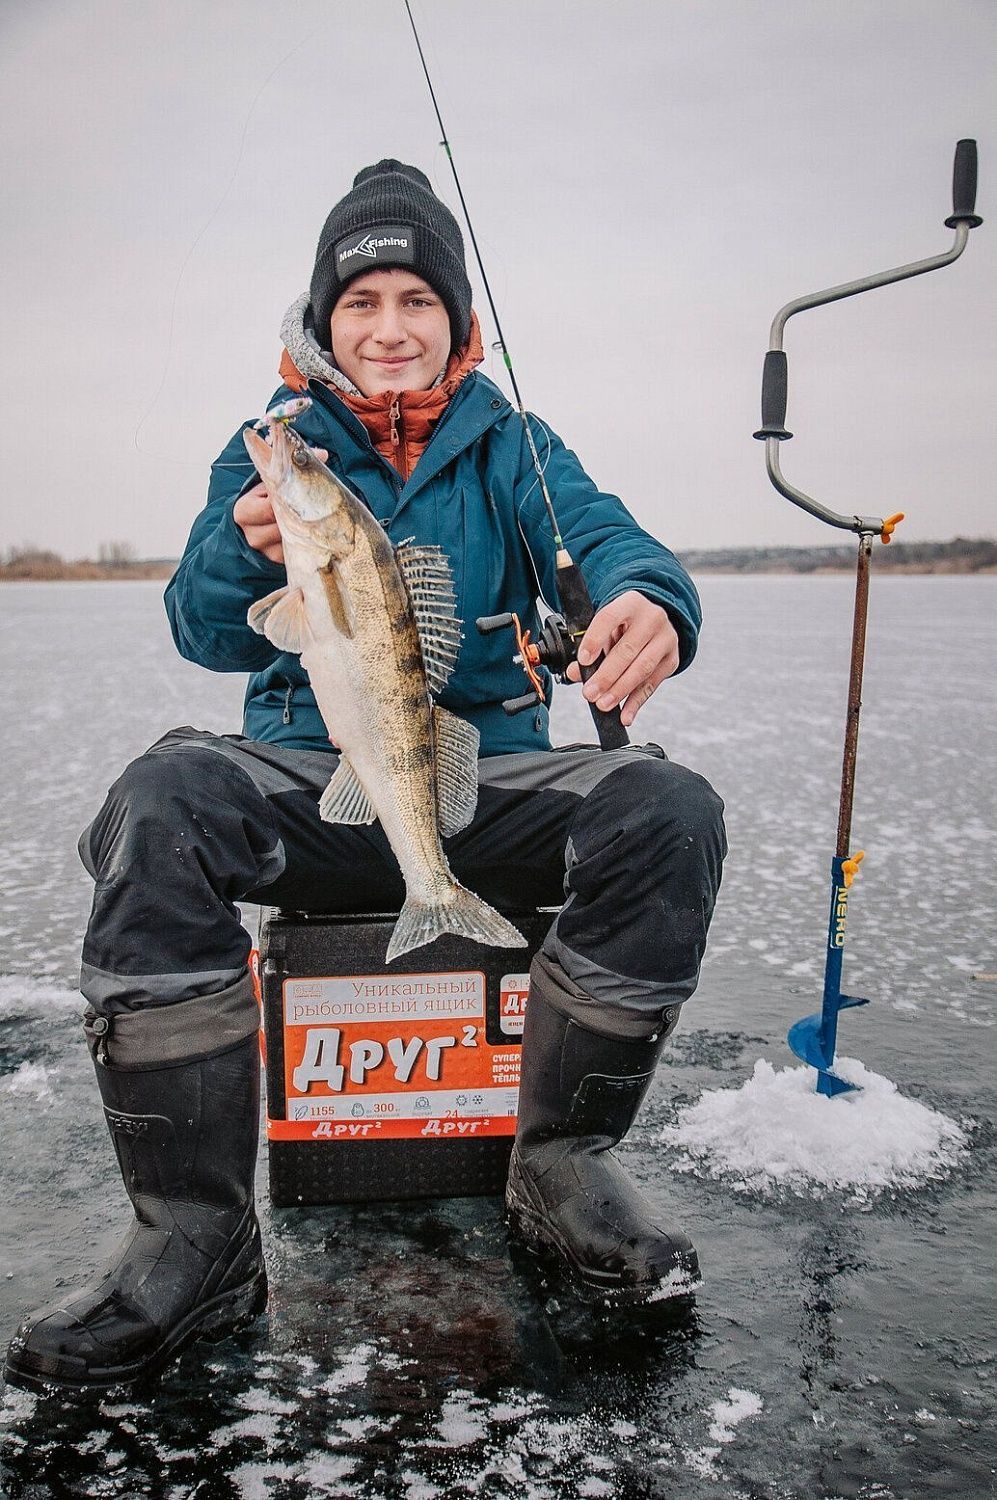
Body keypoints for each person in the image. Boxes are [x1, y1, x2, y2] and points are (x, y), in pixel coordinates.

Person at [4, 161, 726, 1393]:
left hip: (481, 781)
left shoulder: (514, 442)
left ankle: (561, 1161)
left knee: (668, 809)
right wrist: (245, 552)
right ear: (322, 324)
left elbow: (612, 538)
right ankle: (194, 1230)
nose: (388, 327)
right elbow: (206, 629)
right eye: (360, 303)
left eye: (414, 301)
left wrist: (651, 600)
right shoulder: (277, 451)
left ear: (457, 321)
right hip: (310, 780)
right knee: (162, 798)